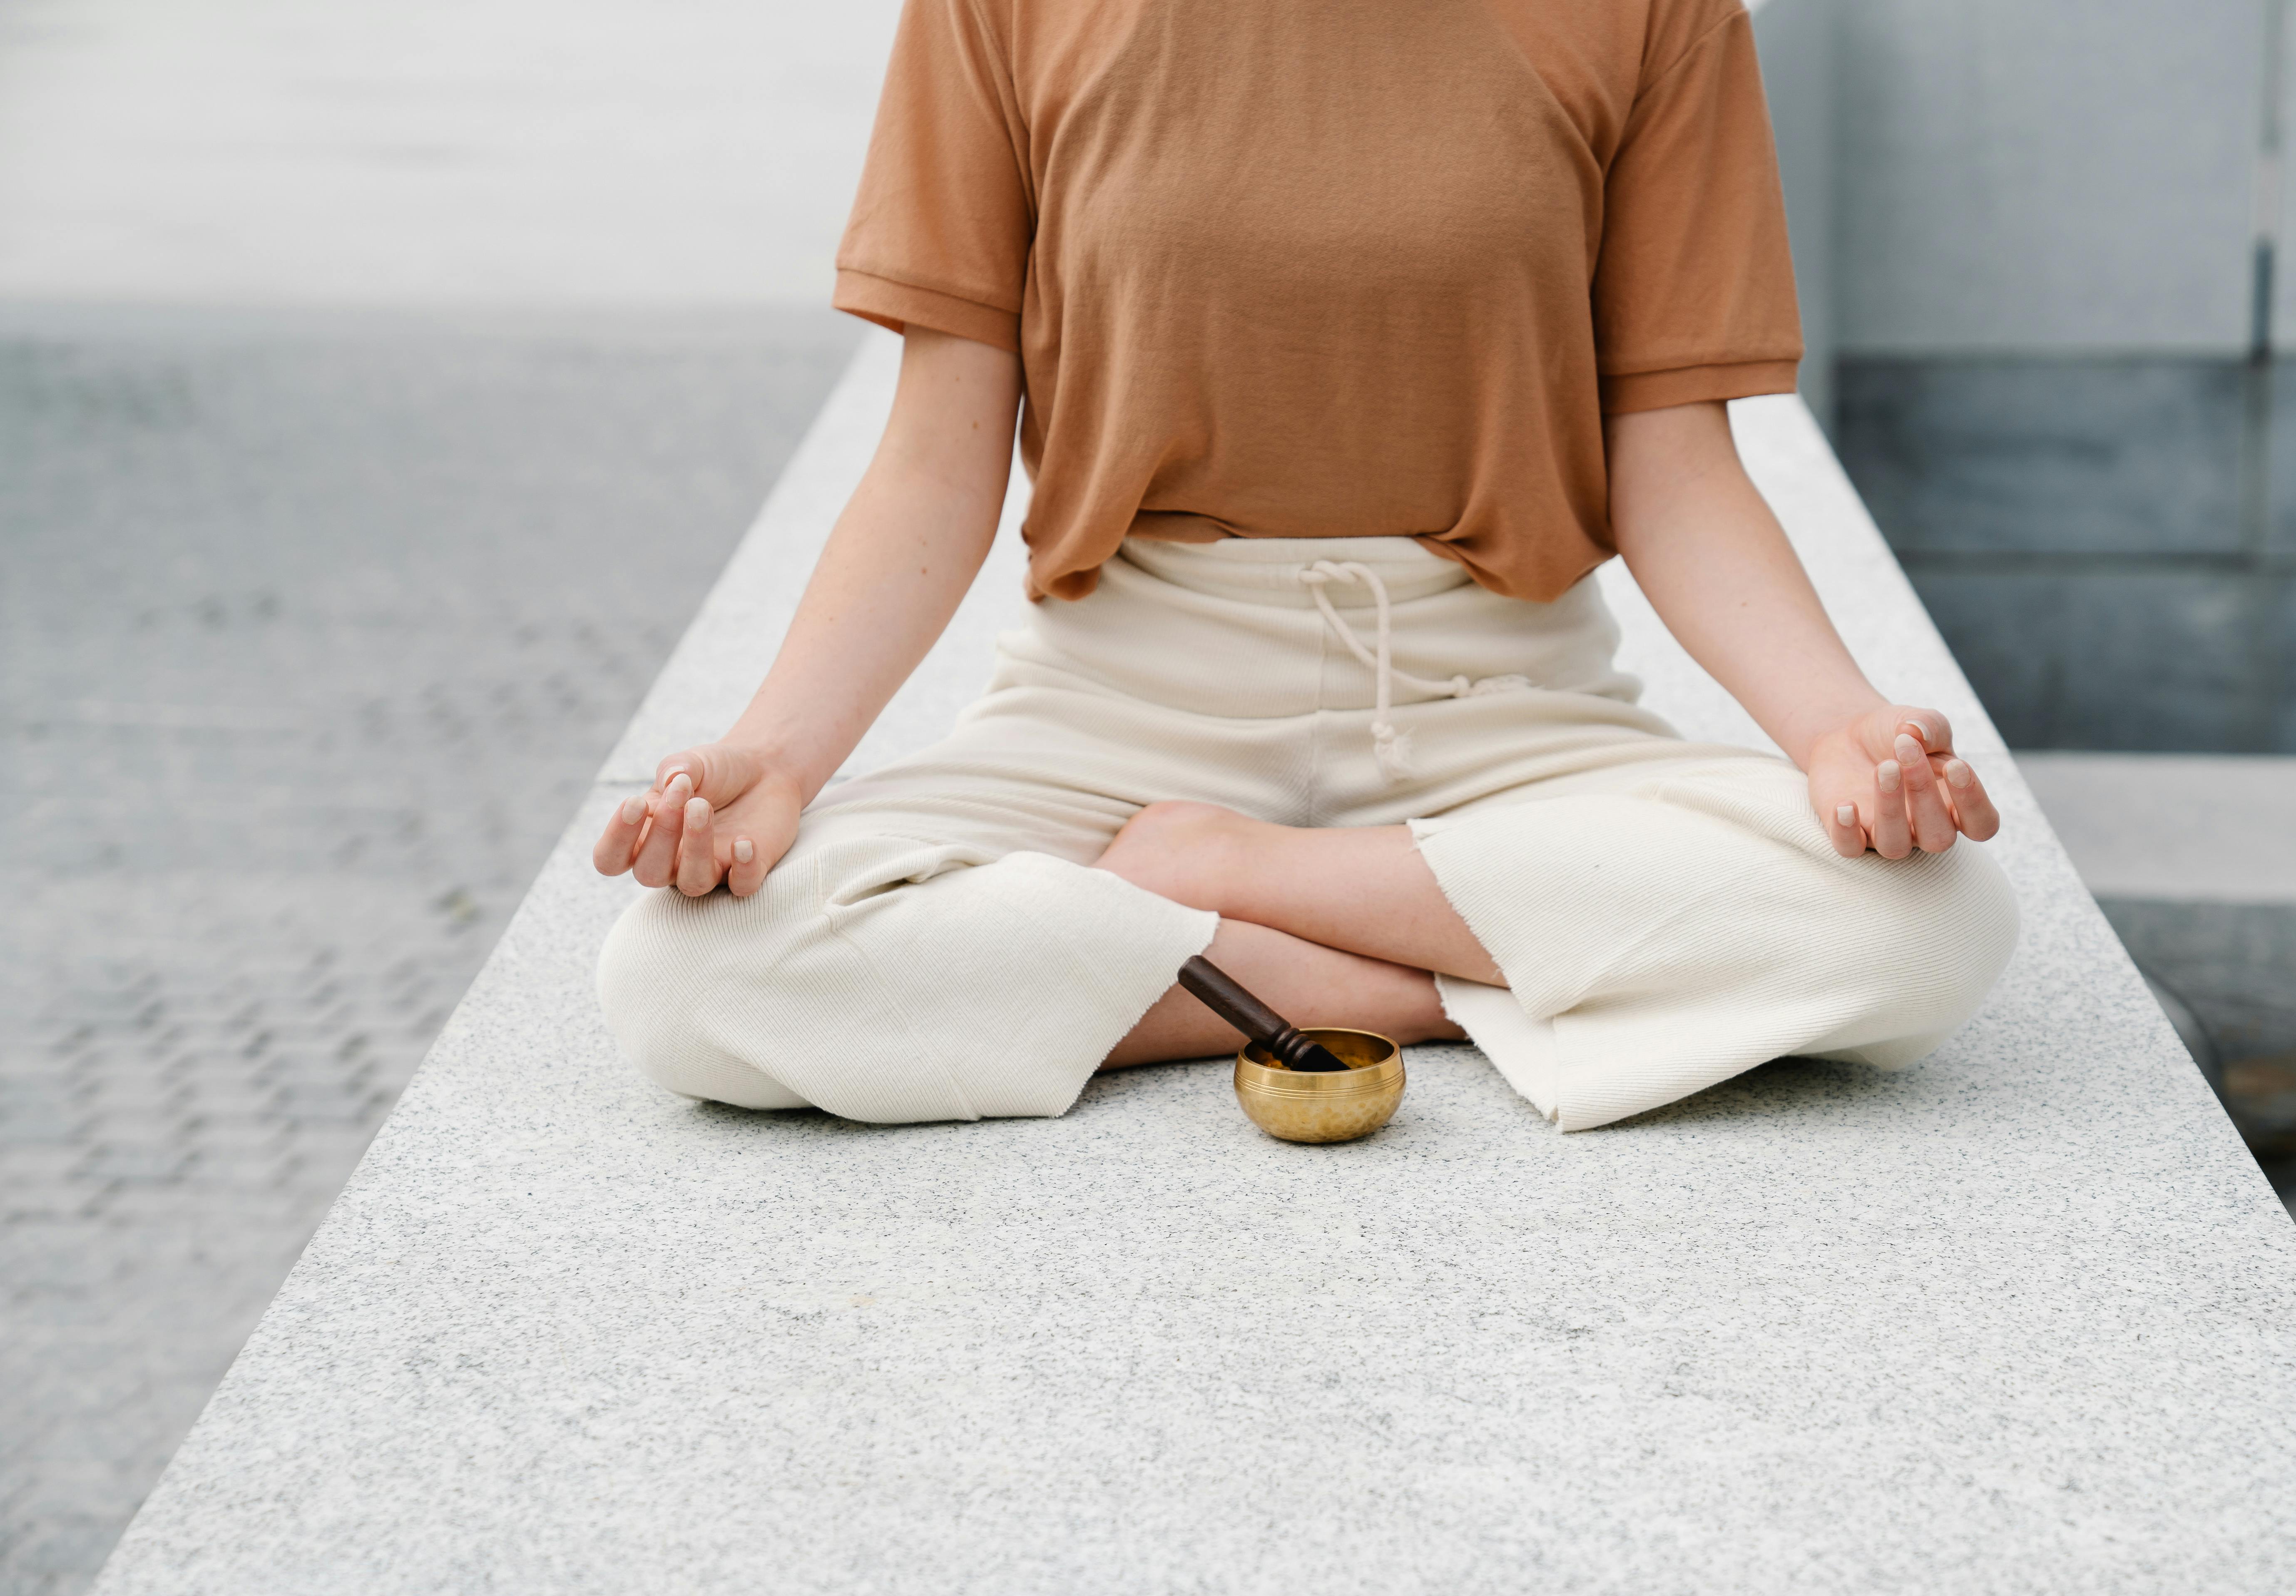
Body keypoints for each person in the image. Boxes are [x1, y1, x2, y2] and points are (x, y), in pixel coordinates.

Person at [592, 0, 2018, 1133]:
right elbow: (933, 462)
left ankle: (1221, 887)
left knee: (1922, 925)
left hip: (1504, 704)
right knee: (688, 977)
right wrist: (776, 759)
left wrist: (1839, 729)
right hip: (1118, 706)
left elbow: (1679, 462)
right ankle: (1442, 976)